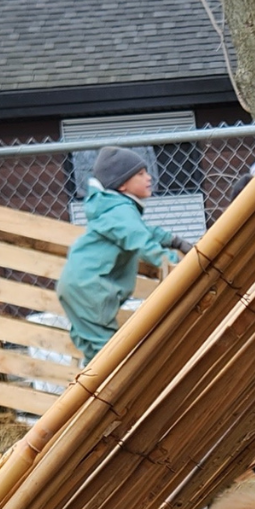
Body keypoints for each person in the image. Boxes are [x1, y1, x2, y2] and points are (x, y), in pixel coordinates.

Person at [56, 146, 185, 358]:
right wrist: (175, 264)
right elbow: (141, 241)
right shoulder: (120, 211)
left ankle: (90, 388)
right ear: (123, 184)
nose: (149, 178)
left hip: (79, 285)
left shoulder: (116, 209)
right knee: (109, 356)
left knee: (95, 350)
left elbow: (141, 230)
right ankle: (110, 390)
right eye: (140, 174)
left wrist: (173, 240)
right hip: (90, 288)